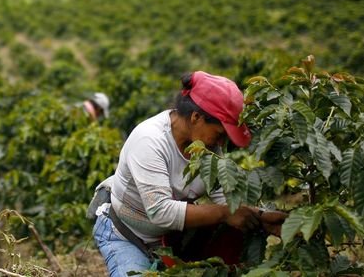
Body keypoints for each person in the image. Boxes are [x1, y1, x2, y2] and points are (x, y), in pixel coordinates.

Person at [91, 71, 286, 276]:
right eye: (219, 134)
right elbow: (161, 211)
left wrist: (261, 217)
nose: (221, 144)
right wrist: (225, 213)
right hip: (125, 234)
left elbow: (225, 199)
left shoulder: (206, 149)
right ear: (196, 117)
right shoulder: (149, 140)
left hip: (170, 240)